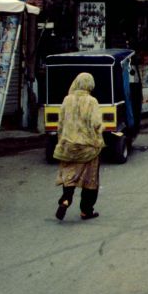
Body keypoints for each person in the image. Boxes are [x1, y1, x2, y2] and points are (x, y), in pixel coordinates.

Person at [53, 72, 104, 221]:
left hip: (68, 145)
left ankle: (66, 199)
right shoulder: (92, 101)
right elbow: (96, 123)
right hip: (88, 147)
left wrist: (61, 141)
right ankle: (86, 211)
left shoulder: (67, 99)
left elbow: (60, 124)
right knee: (90, 178)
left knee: (69, 174)